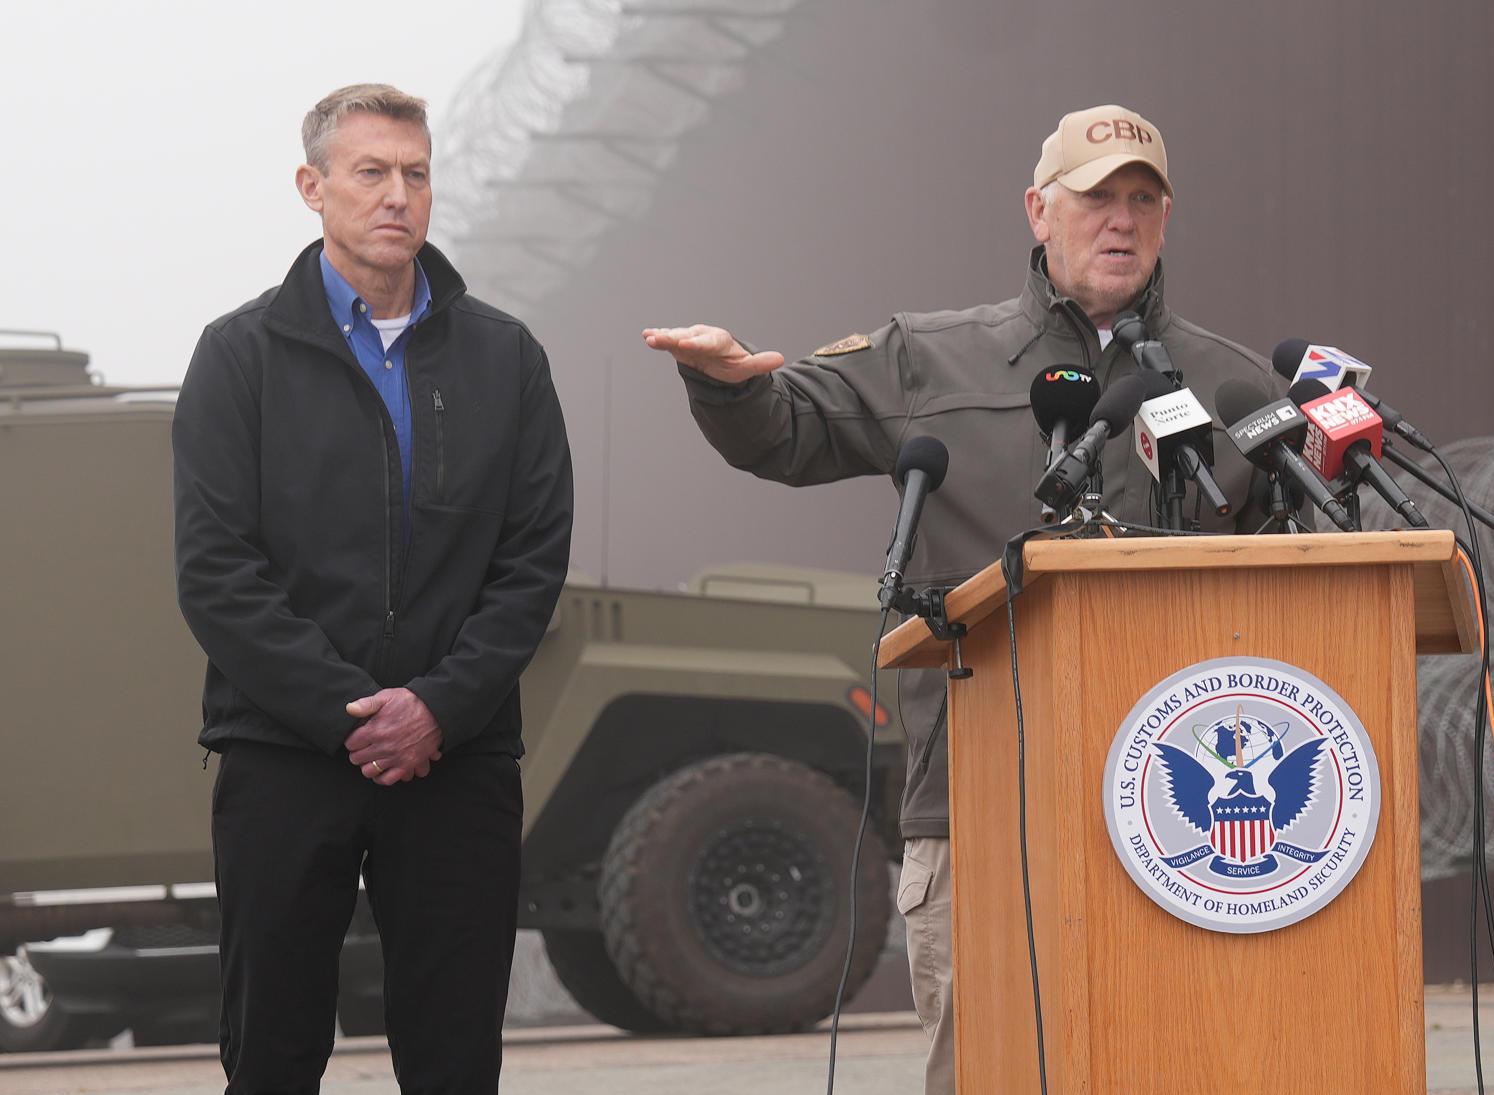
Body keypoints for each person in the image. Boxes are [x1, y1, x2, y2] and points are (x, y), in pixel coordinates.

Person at [644, 104, 1270, 1094]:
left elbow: (1298, 568)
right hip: (980, 797)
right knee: (992, 1070)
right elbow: (790, 428)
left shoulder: (1231, 386)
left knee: (1183, 1062)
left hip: (1186, 805)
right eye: (1097, 197)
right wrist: (729, 389)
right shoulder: (930, 360)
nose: (1122, 220)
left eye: (1143, 200)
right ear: (1038, 211)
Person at [172, 83, 573, 1094]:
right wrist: (350, 713)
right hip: (283, 754)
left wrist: (437, 707)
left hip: (458, 757)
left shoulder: (505, 359)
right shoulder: (239, 356)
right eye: (371, 173)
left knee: (453, 1057)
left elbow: (532, 562)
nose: (398, 195)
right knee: (270, 1050)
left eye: (416, 174)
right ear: (312, 188)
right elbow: (216, 571)